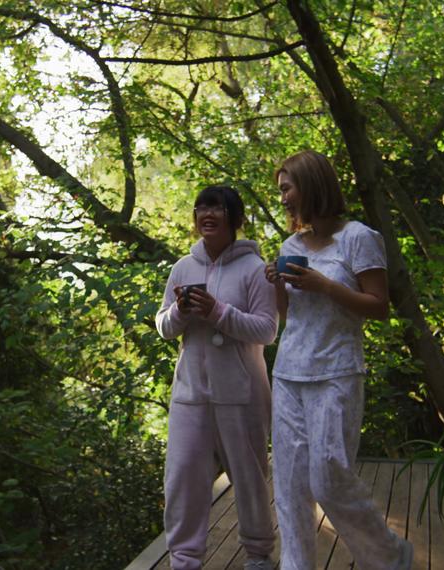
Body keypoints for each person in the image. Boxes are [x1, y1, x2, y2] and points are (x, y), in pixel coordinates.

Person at [265, 150, 413, 570]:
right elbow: (290, 316)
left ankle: (388, 555)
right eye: (280, 191)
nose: (283, 199)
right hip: (290, 372)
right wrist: (277, 283)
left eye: (287, 188)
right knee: (291, 486)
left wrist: (324, 284)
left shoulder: (359, 238)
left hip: (336, 372)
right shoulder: (290, 245)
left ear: (311, 184)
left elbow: (379, 306)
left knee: (328, 477)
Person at [155, 184, 278, 570]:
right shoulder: (182, 267)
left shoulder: (255, 269)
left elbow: (267, 330)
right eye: (201, 208)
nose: (207, 215)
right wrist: (179, 312)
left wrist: (218, 312)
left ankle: (258, 556)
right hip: (190, 394)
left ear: (235, 219)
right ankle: (184, 559)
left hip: (241, 393)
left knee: (250, 479)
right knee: (182, 481)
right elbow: (163, 327)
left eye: (217, 208)